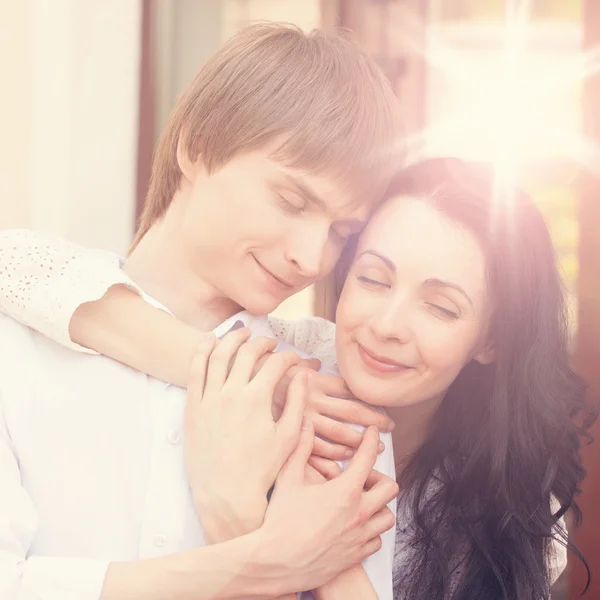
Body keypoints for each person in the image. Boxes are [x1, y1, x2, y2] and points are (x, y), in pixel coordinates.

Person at [2, 158, 591, 599]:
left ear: (490, 338)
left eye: (439, 308)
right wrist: (253, 377)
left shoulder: (517, 511)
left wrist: (256, 523)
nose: (386, 326)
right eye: (374, 279)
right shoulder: (296, 358)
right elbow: (16, 268)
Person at [0, 22, 405, 600]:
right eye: (291, 200)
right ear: (196, 145)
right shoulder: (16, 342)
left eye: (343, 231)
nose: (311, 256)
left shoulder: (333, 394)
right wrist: (266, 563)